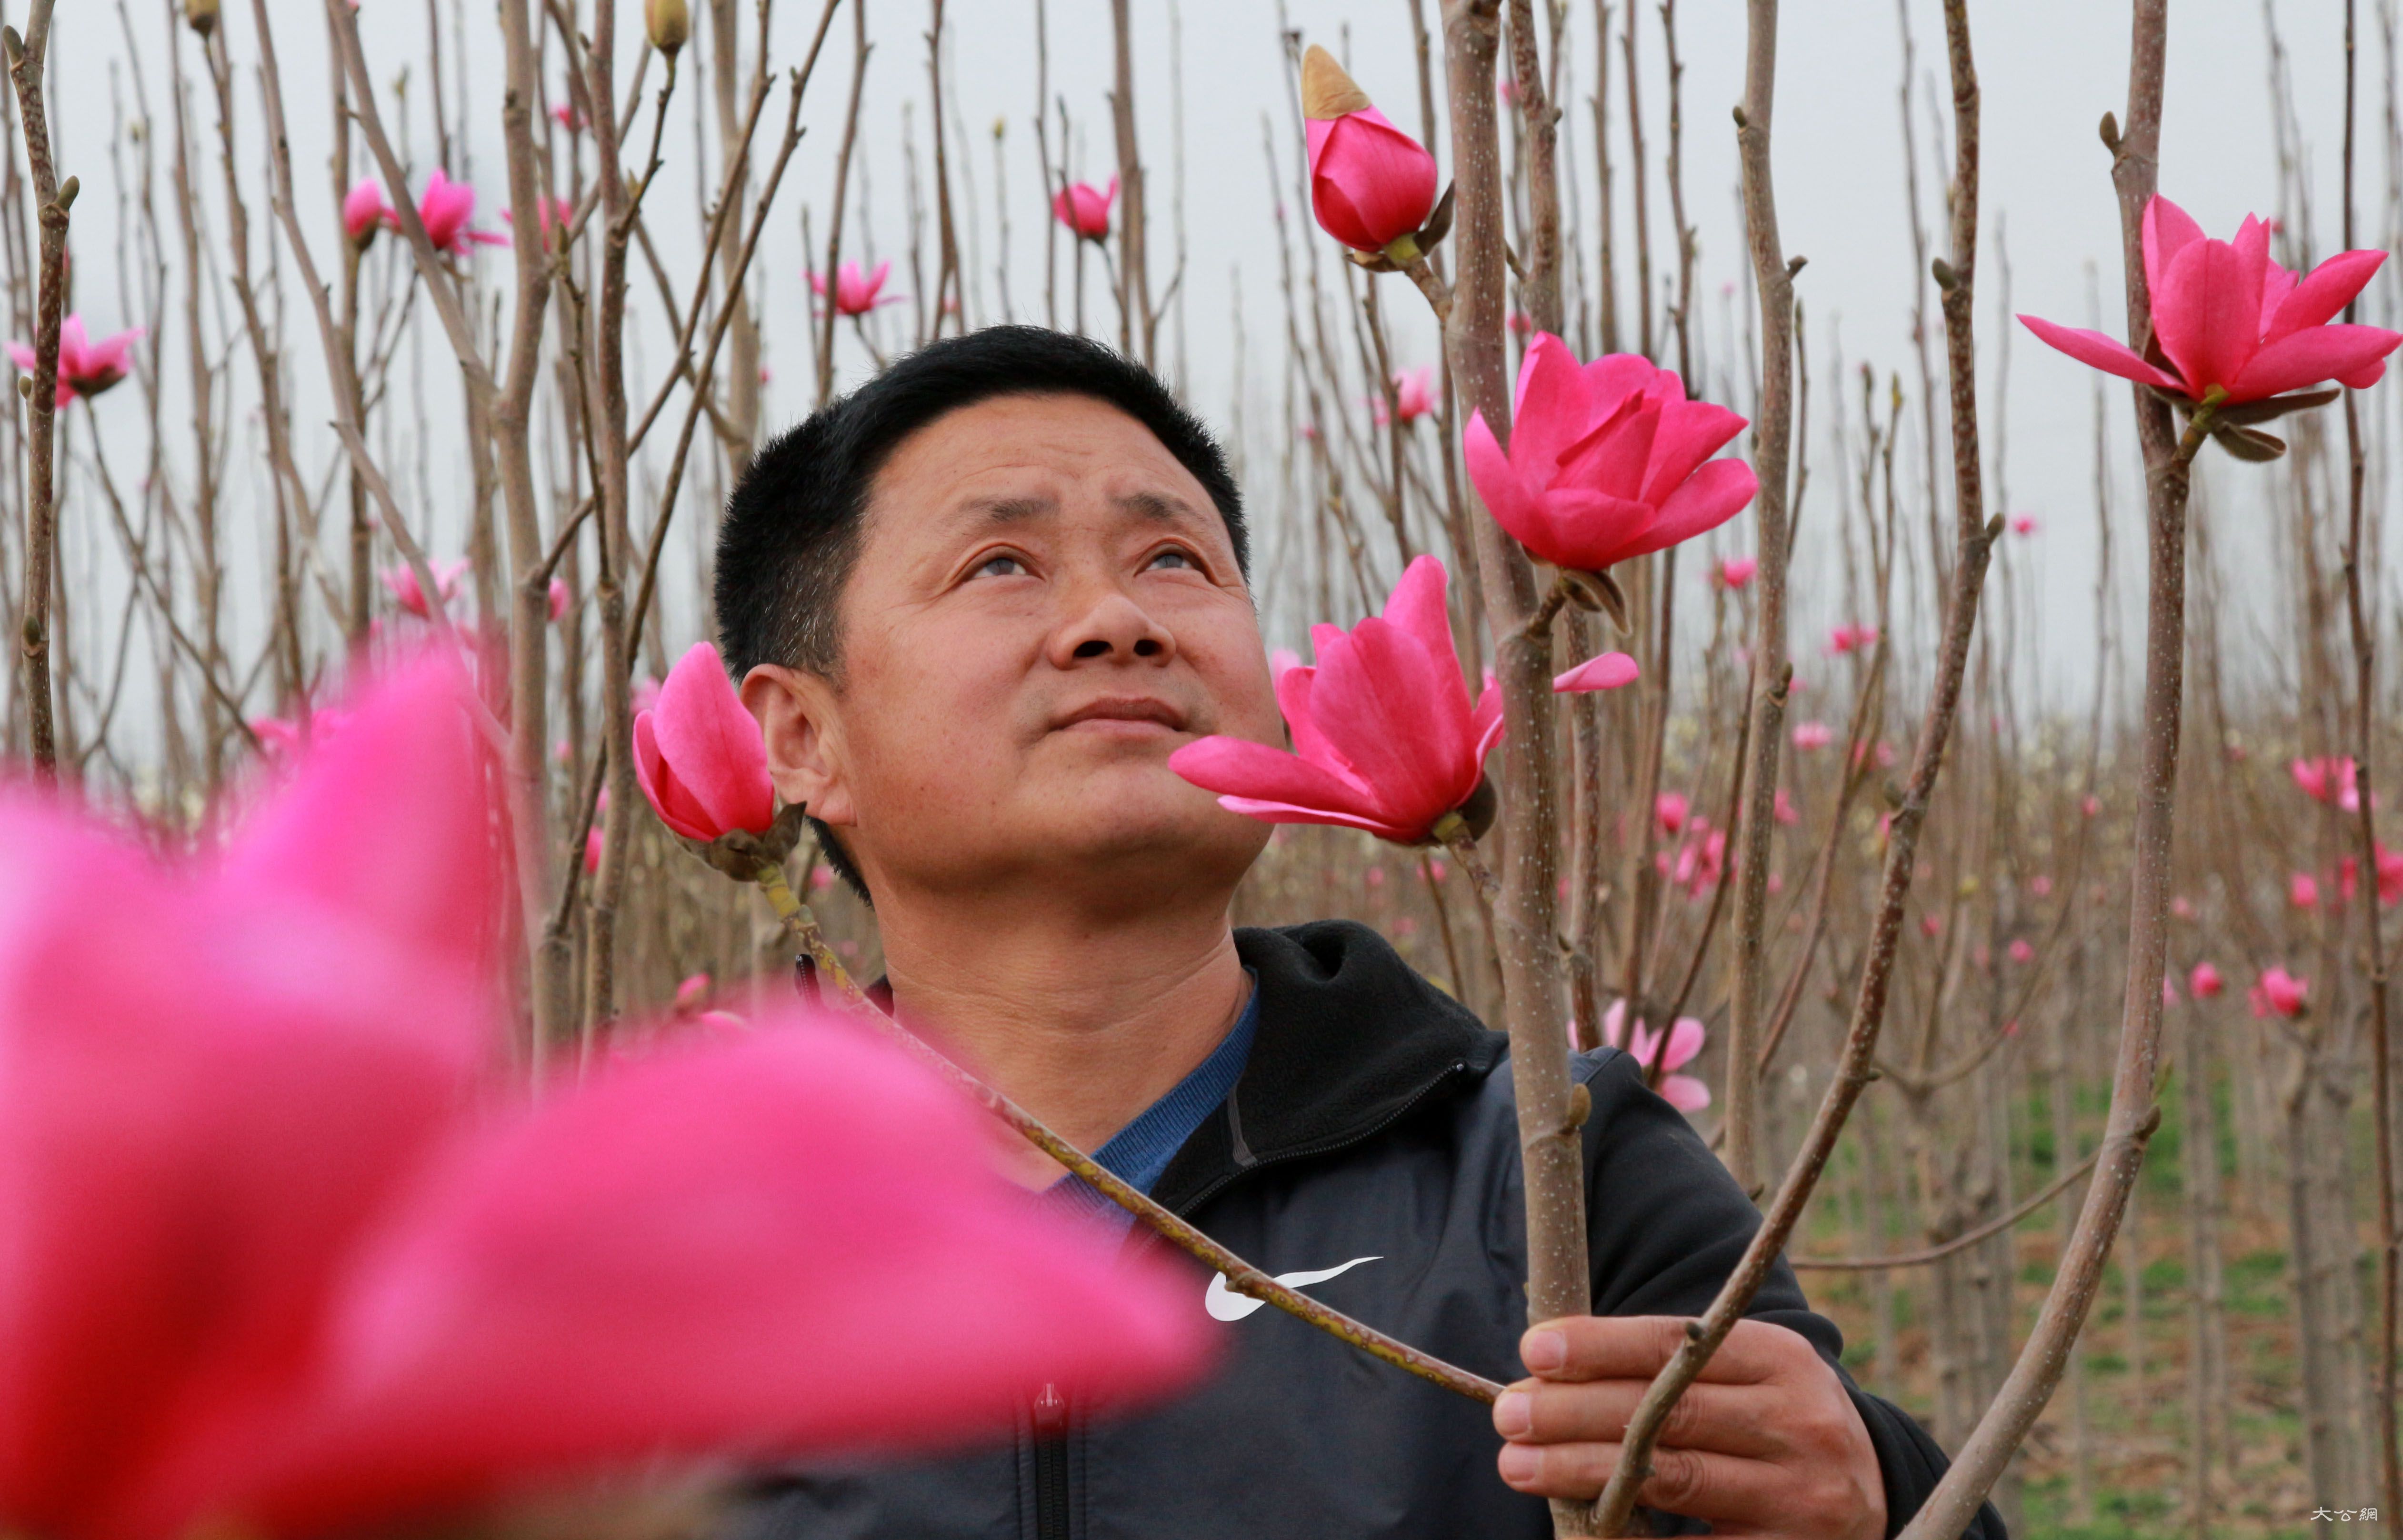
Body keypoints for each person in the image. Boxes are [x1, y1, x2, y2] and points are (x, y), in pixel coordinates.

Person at [716, 325, 2003, 1540]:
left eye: (1178, 560)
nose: (1121, 619)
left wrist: (1880, 1497)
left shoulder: (1552, 1167)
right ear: (800, 737)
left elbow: (1844, 1492)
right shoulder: (673, 1246)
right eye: (1004, 564)